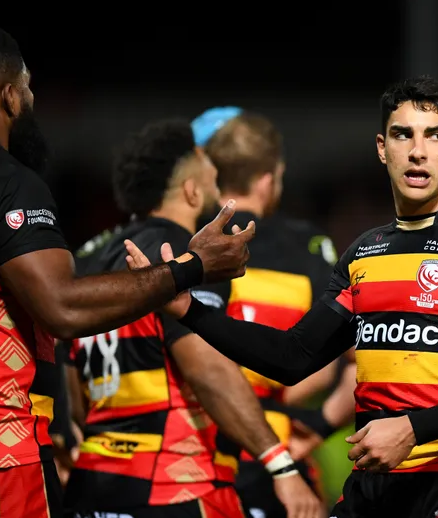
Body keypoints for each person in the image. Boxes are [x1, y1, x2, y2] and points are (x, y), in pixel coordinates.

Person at [127, 76, 438, 518]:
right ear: (382, 148)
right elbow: (292, 356)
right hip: (374, 487)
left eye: (435, 136)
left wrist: (413, 428)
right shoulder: (365, 252)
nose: (418, 151)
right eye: (402, 135)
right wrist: (189, 309)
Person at [0, 22, 252, 518]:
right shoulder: (5, 180)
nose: (32, 99)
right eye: (28, 88)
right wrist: (191, 268)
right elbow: (62, 308)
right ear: (8, 95)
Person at [62, 119, 322, 518]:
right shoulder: (183, 257)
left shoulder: (91, 258)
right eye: (213, 180)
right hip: (175, 486)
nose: (219, 190)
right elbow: (206, 366)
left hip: (94, 484)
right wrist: (280, 464)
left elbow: (70, 381)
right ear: (191, 190)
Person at [192, 107, 357, 518]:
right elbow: (354, 354)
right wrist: (318, 424)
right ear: (268, 178)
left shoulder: (185, 239)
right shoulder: (309, 247)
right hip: (281, 452)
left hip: (196, 455)